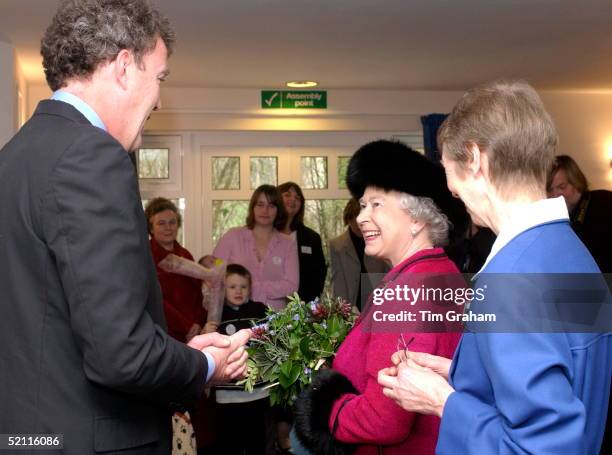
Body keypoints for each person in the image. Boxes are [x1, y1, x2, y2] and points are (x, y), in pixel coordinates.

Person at [0, 1, 249, 454]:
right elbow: (121, 354)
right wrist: (205, 366)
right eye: (160, 78)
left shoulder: (14, 158)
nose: (160, 99)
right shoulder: (90, 157)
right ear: (123, 67)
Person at [378, 80, 611, 454]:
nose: (450, 188)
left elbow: (540, 448)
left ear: (474, 159)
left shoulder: (511, 279)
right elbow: (566, 380)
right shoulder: (571, 252)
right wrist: (464, 374)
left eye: (448, 168)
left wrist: (443, 401)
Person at [292, 140, 465, 454]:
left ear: (416, 218)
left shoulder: (408, 289)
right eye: (362, 205)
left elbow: (384, 420)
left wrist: (323, 411)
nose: (361, 217)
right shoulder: (441, 271)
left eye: (376, 204)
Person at [202, 264, 271, 455]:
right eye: (232, 287)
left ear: (250, 288)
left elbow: (271, 337)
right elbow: (205, 347)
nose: (238, 291)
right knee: (228, 442)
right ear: (223, 290)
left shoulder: (259, 310)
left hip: (256, 391)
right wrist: (205, 331)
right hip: (227, 393)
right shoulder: (216, 315)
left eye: (243, 286)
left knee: (256, 441)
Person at [213, 184, 299, 311]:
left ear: (278, 210)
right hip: (235, 318)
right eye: (260, 204)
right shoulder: (232, 237)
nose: (265, 211)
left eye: (271, 205)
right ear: (252, 207)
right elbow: (215, 273)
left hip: (275, 321)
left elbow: (292, 286)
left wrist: (252, 287)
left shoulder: (288, 244)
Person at [145, 197, 205, 343]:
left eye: (172, 222)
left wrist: (198, 322)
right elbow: (154, 299)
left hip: (193, 333)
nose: (168, 228)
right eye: (161, 223)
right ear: (151, 228)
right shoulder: (145, 257)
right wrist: (186, 326)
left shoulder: (186, 255)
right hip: (162, 334)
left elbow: (199, 294)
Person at [547, 154, 612, 272]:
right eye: (550, 190)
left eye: (562, 187)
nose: (555, 196)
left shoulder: (605, 201)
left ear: (576, 181)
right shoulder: (558, 218)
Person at [329, 198, 389, 310]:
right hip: (351, 302)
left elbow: (389, 272)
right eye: (355, 219)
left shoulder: (380, 239)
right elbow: (338, 281)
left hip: (377, 301)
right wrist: (340, 310)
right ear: (348, 219)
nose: (360, 224)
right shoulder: (337, 245)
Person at [278, 181, 327, 303]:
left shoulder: (312, 238)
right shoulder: (265, 233)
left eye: (297, 197)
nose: (292, 200)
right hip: (268, 305)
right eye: (287, 195)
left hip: (303, 307)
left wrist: (310, 302)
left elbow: (319, 273)